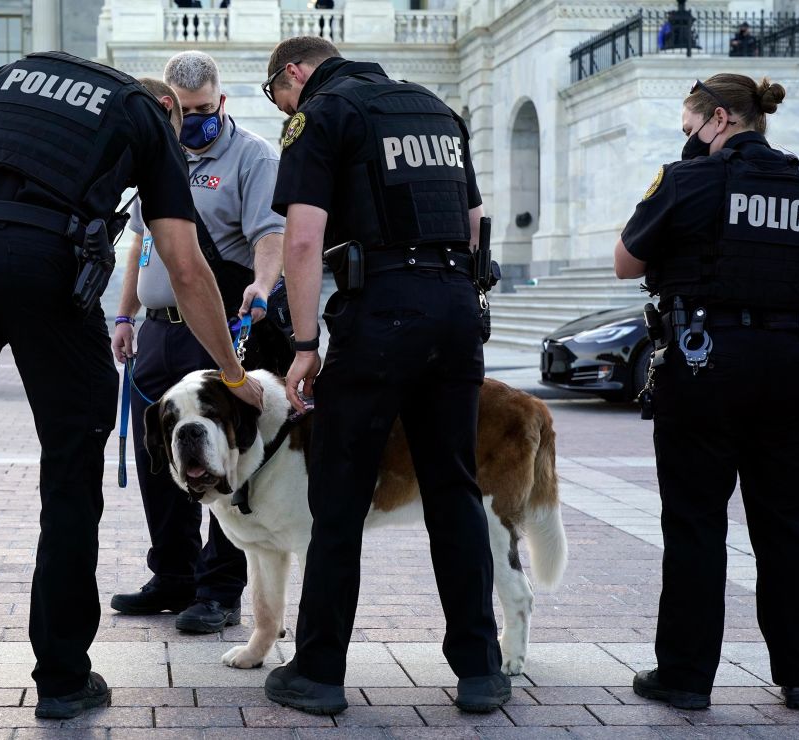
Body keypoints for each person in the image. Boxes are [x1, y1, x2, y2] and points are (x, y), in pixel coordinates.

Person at [0, 51, 263, 721]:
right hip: (51, 265)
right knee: (71, 474)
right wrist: (232, 372)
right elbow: (187, 268)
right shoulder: (142, 115)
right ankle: (63, 680)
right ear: (168, 107)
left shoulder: (9, 76)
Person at [258, 36, 510, 716]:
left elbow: (303, 238)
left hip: (383, 313)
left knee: (339, 497)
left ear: (295, 73)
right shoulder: (433, 108)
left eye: (277, 95)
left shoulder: (324, 113)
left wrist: (305, 343)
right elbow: (474, 220)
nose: (283, 106)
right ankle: (481, 670)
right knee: (454, 488)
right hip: (456, 308)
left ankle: (318, 673)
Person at [614, 74, 799, 712]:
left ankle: (686, 678)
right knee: (787, 521)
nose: (688, 141)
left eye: (691, 129)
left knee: (695, 523)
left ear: (719, 118)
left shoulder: (688, 181)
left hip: (706, 363)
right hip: (795, 363)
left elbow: (625, 262)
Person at [109, 51, 285, 633]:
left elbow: (270, 234)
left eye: (204, 109)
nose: (194, 120)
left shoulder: (253, 156)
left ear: (221, 101)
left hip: (217, 334)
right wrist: (126, 316)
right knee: (158, 455)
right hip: (157, 332)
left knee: (226, 457)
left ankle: (218, 589)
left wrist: (262, 284)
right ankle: (173, 575)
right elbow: (138, 244)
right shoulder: (157, 154)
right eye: (183, 112)